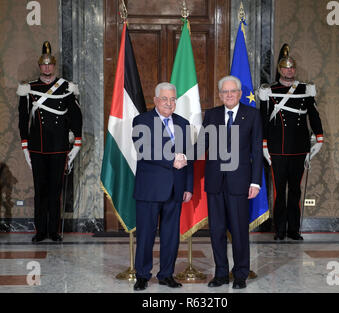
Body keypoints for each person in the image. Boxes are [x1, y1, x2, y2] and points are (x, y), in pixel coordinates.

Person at [195, 75, 263, 289]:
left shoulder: (251, 115)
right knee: (216, 231)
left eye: (232, 91)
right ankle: (221, 273)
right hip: (215, 182)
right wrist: (181, 156)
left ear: (240, 93)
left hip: (240, 183)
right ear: (220, 95)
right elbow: (202, 144)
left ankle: (241, 273)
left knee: (240, 230)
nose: (229, 95)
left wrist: (255, 182)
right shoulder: (212, 114)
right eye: (225, 92)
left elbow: (256, 152)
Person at [17, 41, 82, 243]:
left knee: (55, 191)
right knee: (40, 191)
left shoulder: (66, 87)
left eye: (50, 64)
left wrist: (76, 140)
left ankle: (53, 231)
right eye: (43, 65)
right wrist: (25, 143)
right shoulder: (30, 88)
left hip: (58, 147)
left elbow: (75, 116)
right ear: (40, 67)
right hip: (37, 147)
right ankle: (40, 230)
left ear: (54, 66)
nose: (47, 68)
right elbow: (22, 118)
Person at [131, 82, 193, 291]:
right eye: (165, 99)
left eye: (173, 99)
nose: (169, 103)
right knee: (146, 235)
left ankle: (166, 274)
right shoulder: (142, 120)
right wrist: (171, 161)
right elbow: (144, 149)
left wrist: (188, 187)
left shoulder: (183, 123)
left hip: (175, 189)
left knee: (171, 237)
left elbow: (188, 157)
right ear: (156, 100)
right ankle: (142, 275)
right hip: (149, 189)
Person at [259, 44, 324, 241]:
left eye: (292, 68)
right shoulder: (270, 90)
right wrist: (263, 145)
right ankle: (279, 229)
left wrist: (319, 138)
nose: (289, 71)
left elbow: (313, 116)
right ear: (280, 70)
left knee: (295, 190)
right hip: (277, 149)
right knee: (279, 192)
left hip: (299, 148)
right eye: (286, 68)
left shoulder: (305, 89)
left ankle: (294, 229)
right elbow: (263, 119)